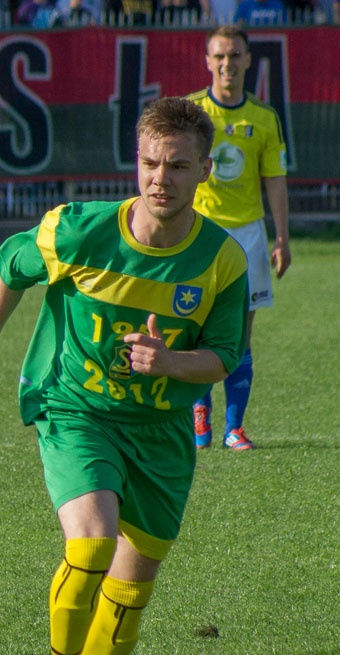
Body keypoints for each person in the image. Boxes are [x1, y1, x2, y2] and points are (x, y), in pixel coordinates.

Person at [0, 97, 248, 655]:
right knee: (90, 542)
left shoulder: (222, 260)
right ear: (134, 161)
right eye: (148, 162)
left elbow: (224, 355)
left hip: (163, 436)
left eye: (177, 166)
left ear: (204, 170)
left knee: (131, 593)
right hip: (76, 410)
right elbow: (8, 271)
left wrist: (172, 362)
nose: (159, 179)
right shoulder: (81, 230)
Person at [187, 25, 291, 450]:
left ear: (249, 60)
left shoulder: (263, 118)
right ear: (208, 61)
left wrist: (282, 237)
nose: (227, 63)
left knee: (241, 333)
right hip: (199, 234)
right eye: (220, 56)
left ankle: (234, 427)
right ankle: (199, 417)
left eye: (235, 56)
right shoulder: (191, 113)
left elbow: (275, 180)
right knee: (193, 326)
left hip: (248, 234)